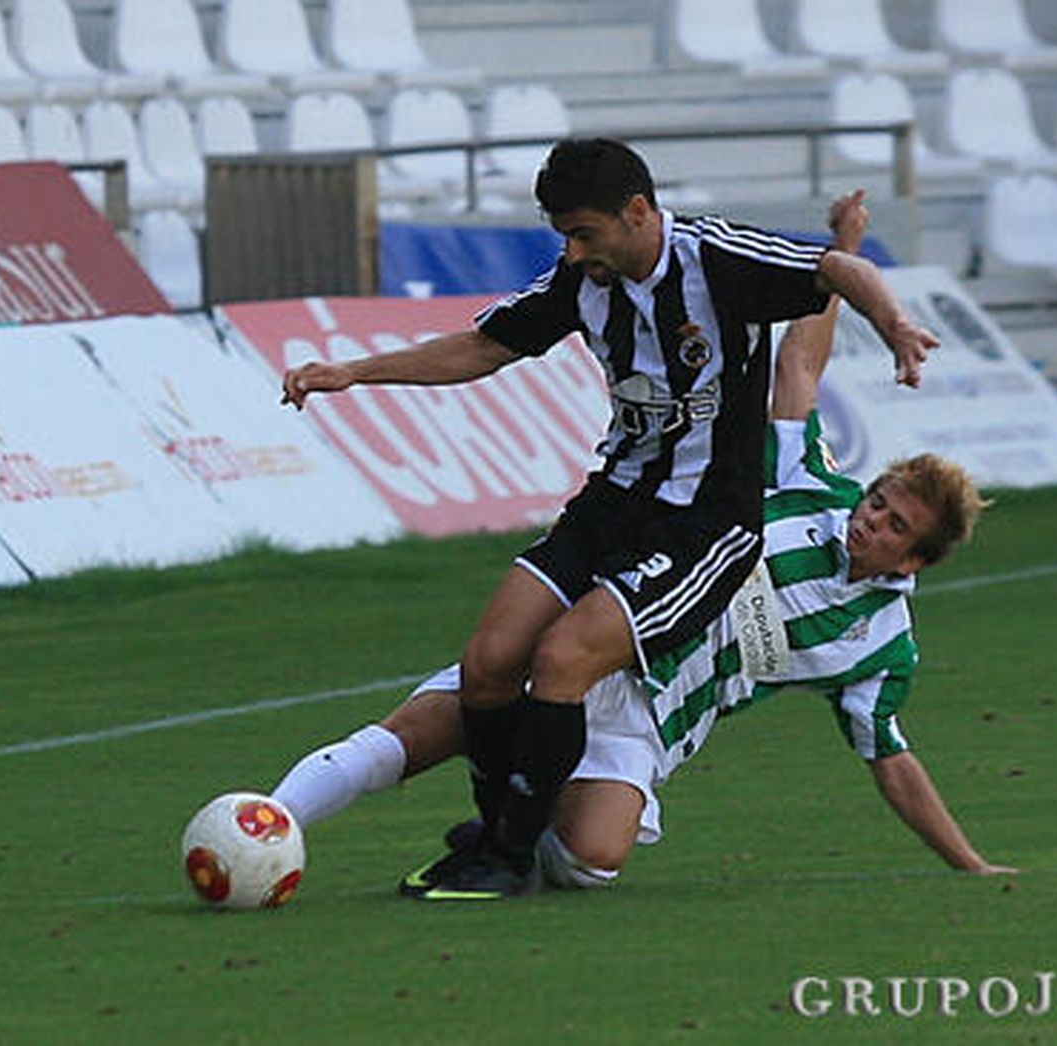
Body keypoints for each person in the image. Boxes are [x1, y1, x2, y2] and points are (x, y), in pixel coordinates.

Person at [270, 191, 1011, 896]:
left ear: (915, 560)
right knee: (442, 717)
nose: (870, 519)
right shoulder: (810, 483)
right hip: (607, 629)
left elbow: (892, 760)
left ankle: (517, 823)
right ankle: (270, 824)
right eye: (878, 501)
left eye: (894, 526)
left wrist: (970, 864)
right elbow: (799, 368)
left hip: (655, 716)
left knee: (593, 861)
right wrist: (844, 252)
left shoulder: (881, 644)